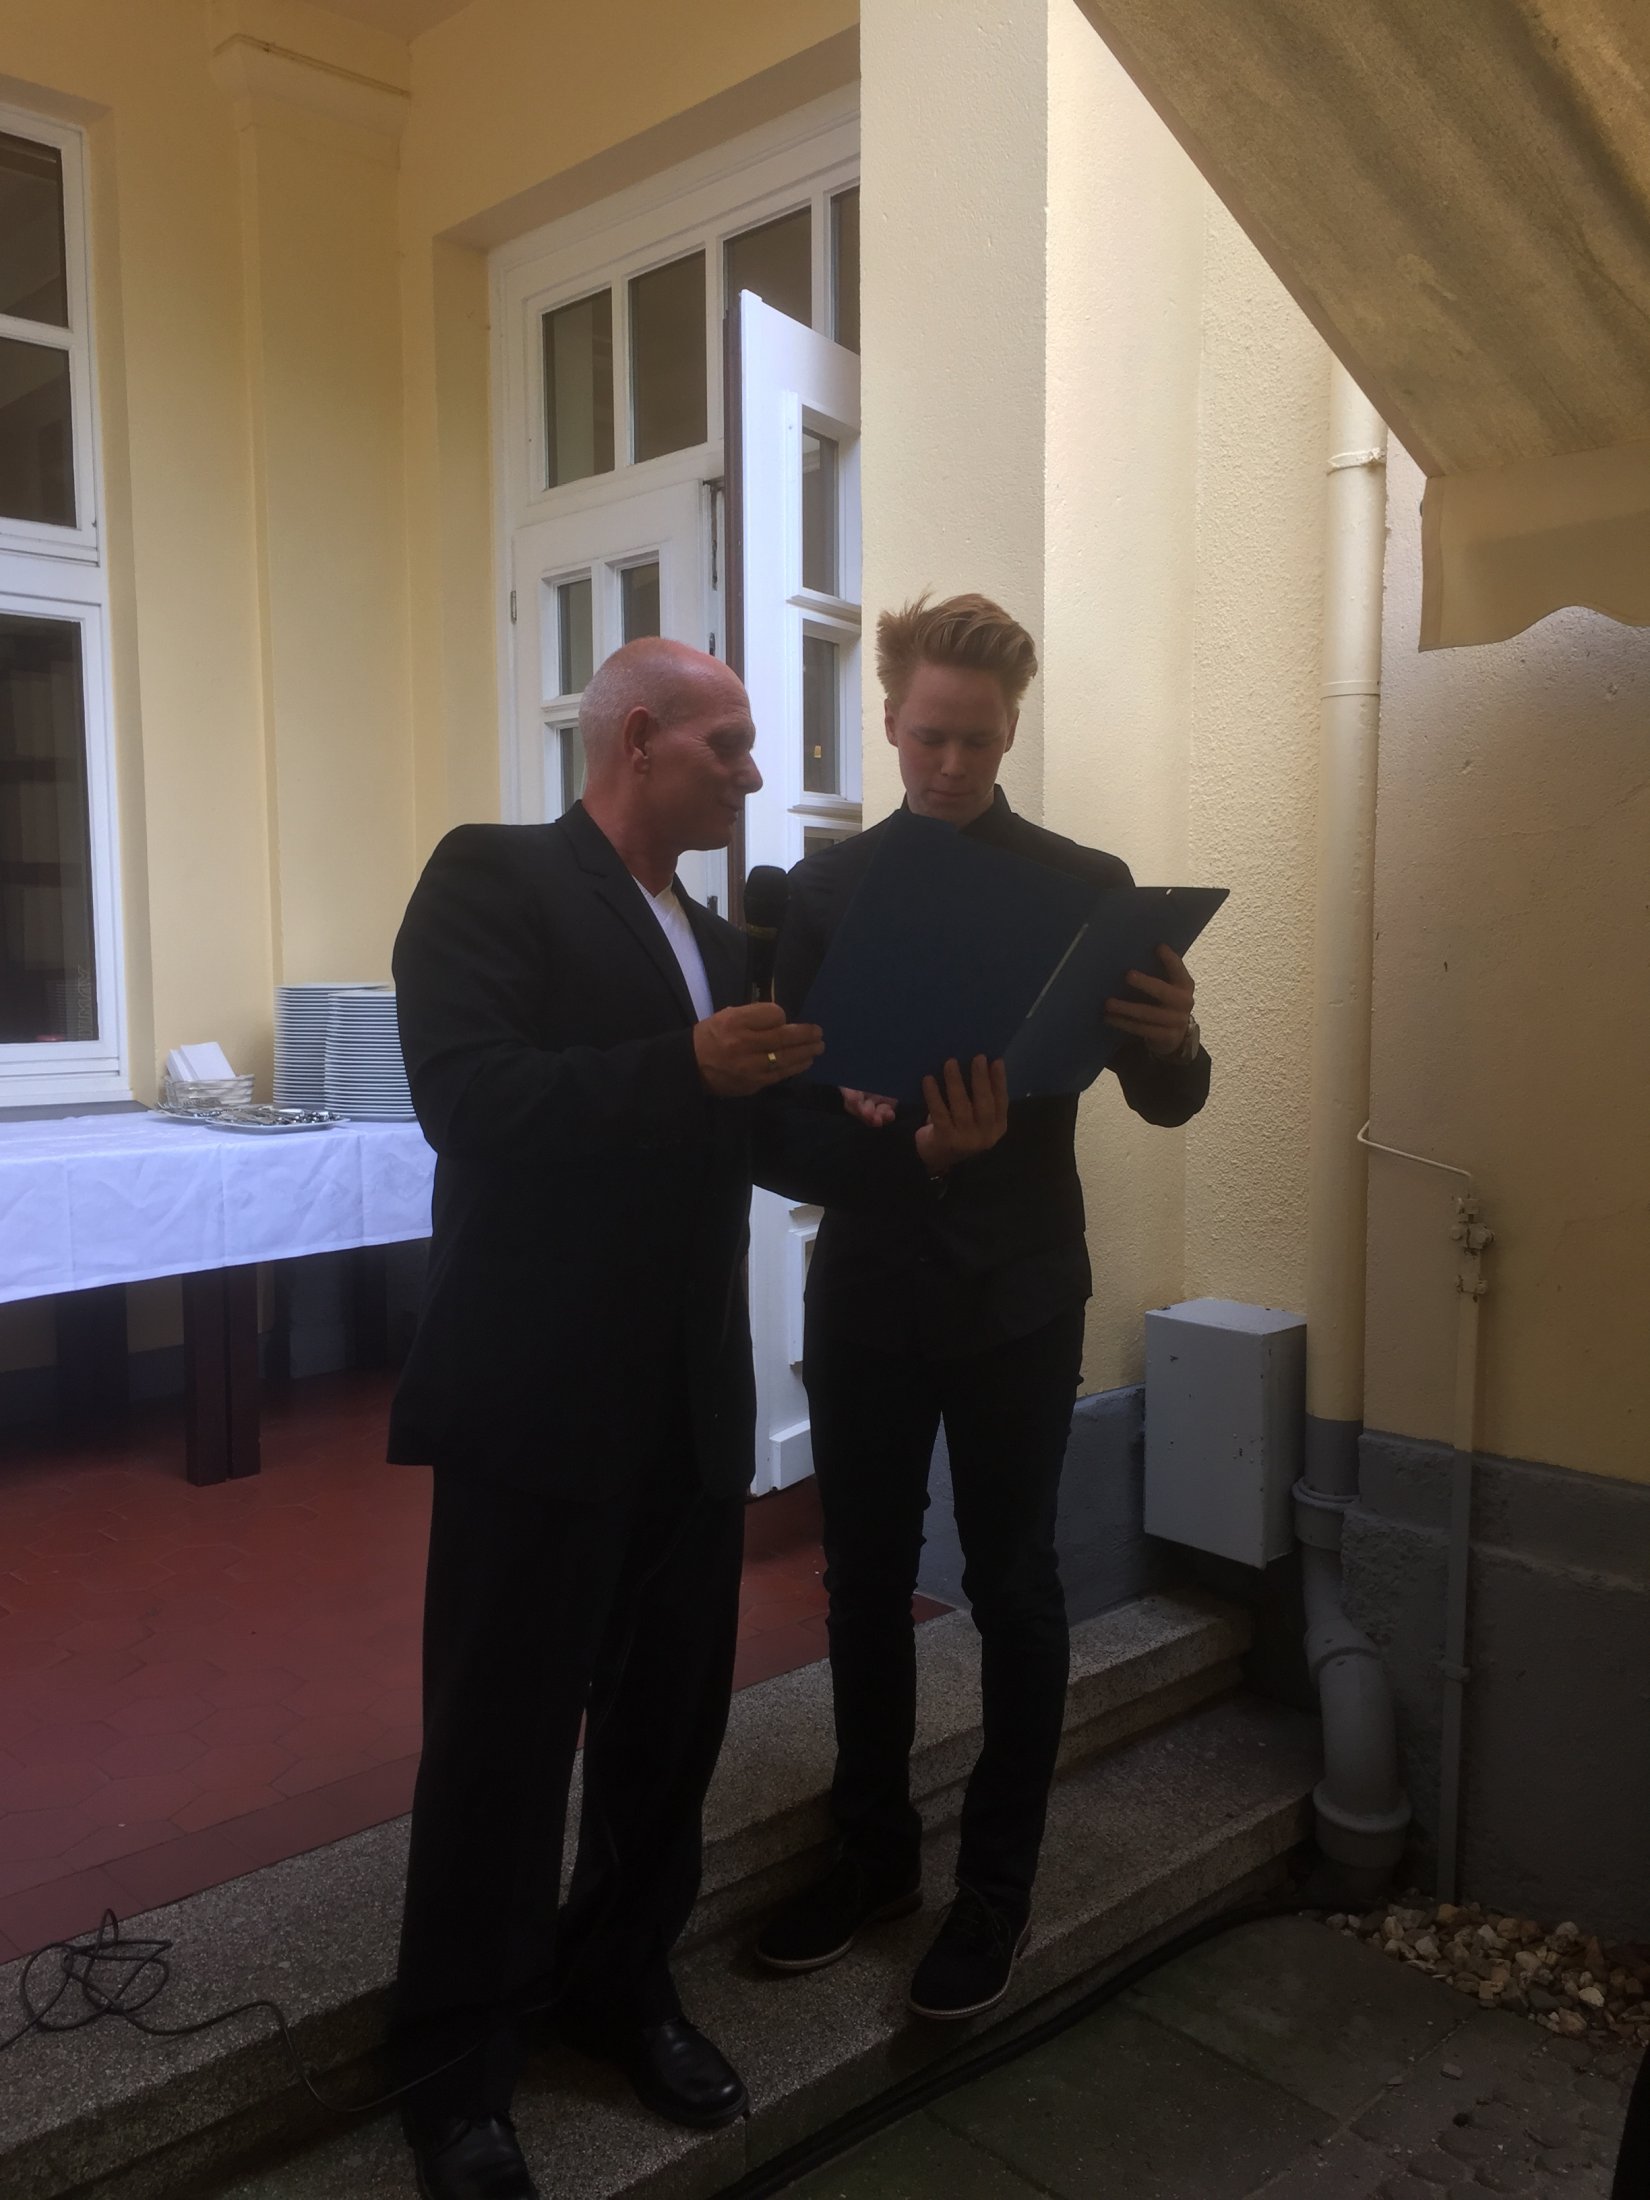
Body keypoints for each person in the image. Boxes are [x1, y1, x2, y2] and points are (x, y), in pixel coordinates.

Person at [386, 636, 1007, 2200]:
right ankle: (457, 2072)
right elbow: (468, 1101)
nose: (753, 773)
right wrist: (681, 1065)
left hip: (686, 1403)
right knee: (501, 1743)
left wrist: (917, 1156)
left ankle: (618, 1985)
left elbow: (777, 1135)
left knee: (668, 1732)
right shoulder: (493, 879)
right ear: (639, 739)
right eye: (727, 746)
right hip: (535, 1396)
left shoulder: (725, 943)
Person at [755, 593, 1211, 2022]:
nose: (951, 764)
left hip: (1018, 1291)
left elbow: (1170, 1100)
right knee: (861, 1580)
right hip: (870, 1285)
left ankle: (996, 1890)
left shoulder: (1084, 886)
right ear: (889, 719)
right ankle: (873, 1853)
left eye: (980, 740)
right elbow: (779, 1132)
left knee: (1014, 1583)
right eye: (929, 737)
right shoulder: (825, 892)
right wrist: (895, 1142)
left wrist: (1175, 1039)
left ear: (1012, 731)